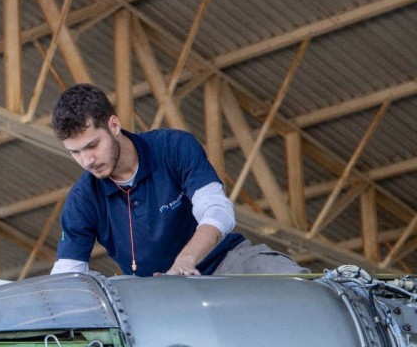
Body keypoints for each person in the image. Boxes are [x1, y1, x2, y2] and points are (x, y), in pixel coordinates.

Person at [50, 83, 307, 277]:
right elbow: (68, 272)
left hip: (224, 263)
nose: (87, 161)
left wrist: (186, 260)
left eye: (92, 145)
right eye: (75, 152)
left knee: (283, 274)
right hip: (158, 296)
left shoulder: (174, 147)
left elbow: (218, 211)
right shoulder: (81, 201)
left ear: (114, 125)